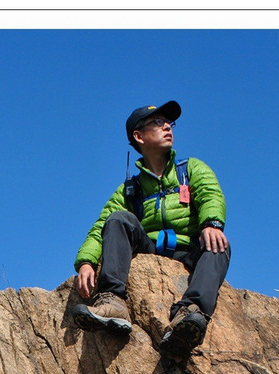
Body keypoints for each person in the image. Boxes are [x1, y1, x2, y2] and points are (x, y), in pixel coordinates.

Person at [72, 100, 231, 357]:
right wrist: (86, 262)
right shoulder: (131, 188)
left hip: (189, 250)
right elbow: (102, 224)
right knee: (118, 219)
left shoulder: (191, 169)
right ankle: (113, 301)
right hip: (148, 249)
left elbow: (210, 195)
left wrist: (212, 224)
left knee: (219, 245)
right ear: (139, 136)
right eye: (157, 122)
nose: (167, 126)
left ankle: (189, 316)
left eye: (169, 122)